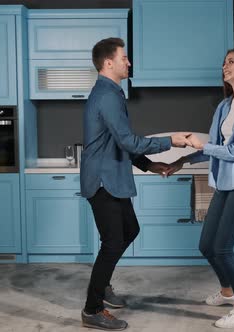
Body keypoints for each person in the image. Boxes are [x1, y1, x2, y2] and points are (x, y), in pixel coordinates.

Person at [79, 37, 191, 331]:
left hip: (110, 176)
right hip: (103, 180)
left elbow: (118, 145)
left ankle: (101, 286)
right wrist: (171, 141)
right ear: (108, 63)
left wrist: (149, 165)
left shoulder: (110, 93)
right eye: (124, 57)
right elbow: (128, 141)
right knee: (114, 241)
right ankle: (92, 309)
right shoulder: (107, 95)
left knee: (130, 230)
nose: (128, 62)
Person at [166, 48, 234, 328]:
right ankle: (227, 292)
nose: (225, 66)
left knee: (223, 249)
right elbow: (213, 148)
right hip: (224, 186)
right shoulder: (225, 106)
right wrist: (182, 161)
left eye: (231, 61)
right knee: (206, 247)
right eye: (224, 62)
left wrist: (201, 145)